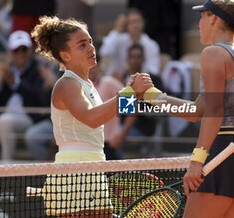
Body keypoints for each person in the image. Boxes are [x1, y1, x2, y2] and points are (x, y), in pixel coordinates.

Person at [138, 0, 234, 217]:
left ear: (214, 19)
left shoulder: (213, 53)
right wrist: (151, 96)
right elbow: (196, 111)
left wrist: (196, 161)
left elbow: (214, 112)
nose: (198, 23)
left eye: (202, 16)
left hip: (226, 155)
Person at [31, 15, 152, 217]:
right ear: (66, 55)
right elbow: (92, 118)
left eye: (90, 42)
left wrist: (133, 94)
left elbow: (111, 113)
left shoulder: (88, 86)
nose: (90, 48)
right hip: (74, 169)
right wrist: (129, 93)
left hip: (94, 164)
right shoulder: (67, 84)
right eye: (82, 45)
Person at [0, 30, 46, 160]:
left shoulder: (39, 69)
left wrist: (15, 82)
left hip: (28, 120)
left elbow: (39, 98)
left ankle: (6, 165)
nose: (20, 54)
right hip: (2, 122)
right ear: (10, 52)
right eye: (16, 50)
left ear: (30, 50)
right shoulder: (6, 69)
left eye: (23, 49)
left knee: (5, 121)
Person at [100, 8, 160, 78]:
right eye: (131, 22)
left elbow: (153, 70)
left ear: (143, 23)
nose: (135, 25)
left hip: (141, 81)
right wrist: (117, 30)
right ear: (126, 25)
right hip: (117, 81)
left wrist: (136, 74)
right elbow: (105, 52)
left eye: (137, 21)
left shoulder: (152, 45)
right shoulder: (118, 40)